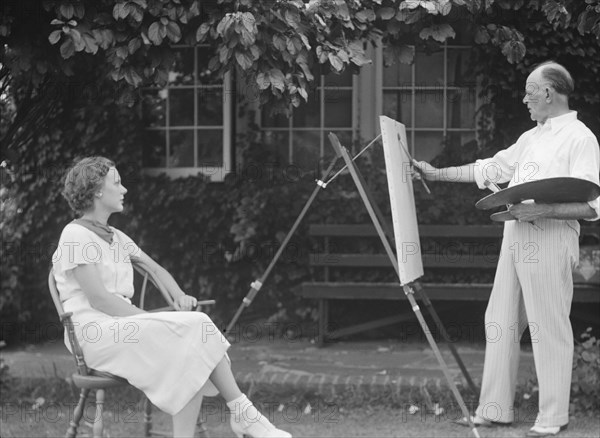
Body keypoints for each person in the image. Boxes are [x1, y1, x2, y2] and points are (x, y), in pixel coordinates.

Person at [413, 61, 600, 437]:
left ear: (548, 92)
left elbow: (593, 205)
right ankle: (494, 411)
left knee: (549, 330)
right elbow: (492, 169)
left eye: (530, 90)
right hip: (515, 238)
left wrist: (543, 209)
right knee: (499, 322)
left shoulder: (580, 138)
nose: (524, 98)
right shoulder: (532, 138)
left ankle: (551, 419)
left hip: (550, 239)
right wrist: (437, 174)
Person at [52, 156, 292, 438]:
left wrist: (178, 295)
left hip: (124, 327)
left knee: (191, 341)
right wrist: (153, 321)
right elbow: (99, 300)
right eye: (117, 183)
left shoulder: (115, 236)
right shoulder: (75, 235)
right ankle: (245, 416)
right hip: (93, 331)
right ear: (97, 191)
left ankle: (237, 416)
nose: (124, 189)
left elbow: (154, 269)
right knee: (190, 331)